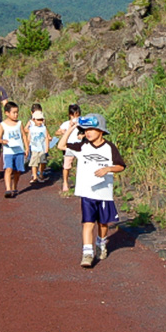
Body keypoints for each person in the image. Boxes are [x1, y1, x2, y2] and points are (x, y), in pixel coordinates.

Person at [58, 113, 126, 268]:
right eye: (85, 129)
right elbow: (61, 146)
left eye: (91, 129)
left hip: (104, 193)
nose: (87, 132)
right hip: (87, 193)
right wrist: (71, 129)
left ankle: (101, 244)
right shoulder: (82, 146)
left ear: (101, 131)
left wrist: (108, 168)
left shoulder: (110, 148)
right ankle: (87, 254)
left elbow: (121, 166)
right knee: (87, 223)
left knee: (103, 224)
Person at [0, 101, 28, 198]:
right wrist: (2, 141)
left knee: (17, 171)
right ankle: (8, 189)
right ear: (7, 113)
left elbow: (23, 136)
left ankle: (14, 186)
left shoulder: (19, 123)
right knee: (8, 169)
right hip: (8, 151)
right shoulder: (3, 124)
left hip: (19, 151)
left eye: (17, 112)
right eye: (13, 112)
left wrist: (26, 148)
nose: (16, 115)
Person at [55, 104, 82, 192]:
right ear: (70, 115)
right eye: (74, 115)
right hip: (68, 146)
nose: (75, 117)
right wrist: (62, 132)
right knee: (67, 166)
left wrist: (83, 135)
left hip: (80, 146)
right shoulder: (66, 124)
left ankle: (80, 182)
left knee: (81, 165)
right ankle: (65, 183)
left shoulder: (82, 124)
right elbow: (57, 132)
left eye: (77, 115)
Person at [26, 109, 50, 184]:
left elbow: (46, 137)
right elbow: (28, 138)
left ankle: (41, 172)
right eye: (38, 120)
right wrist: (27, 147)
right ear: (34, 120)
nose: (40, 122)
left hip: (42, 148)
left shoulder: (44, 128)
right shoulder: (31, 128)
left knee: (43, 162)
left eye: (41, 120)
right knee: (34, 163)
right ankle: (34, 176)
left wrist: (47, 147)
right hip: (34, 148)